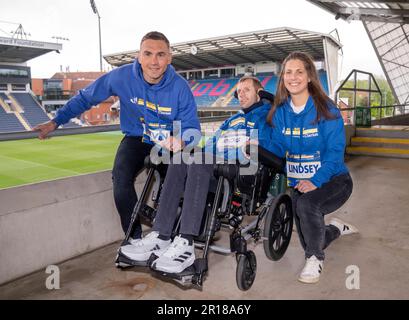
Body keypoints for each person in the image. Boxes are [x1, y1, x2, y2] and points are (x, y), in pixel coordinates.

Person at [32, 31, 201, 242]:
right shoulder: (121, 76)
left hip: (168, 144)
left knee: (175, 185)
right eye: (148, 54)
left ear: (169, 58)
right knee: (120, 179)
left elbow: (193, 128)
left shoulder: (180, 87)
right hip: (136, 139)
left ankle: (169, 236)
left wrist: (182, 140)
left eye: (160, 54)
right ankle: (134, 239)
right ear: (139, 56)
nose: (154, 61)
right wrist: (56, 121)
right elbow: (86, 98)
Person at [120, 76, 274, 274]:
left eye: (246, 90)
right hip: (214, 165)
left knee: (200, 161)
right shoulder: (232, 120)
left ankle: (186, 241)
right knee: (181, 158)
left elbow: (262, 148)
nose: (240, 94)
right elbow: (210, 145)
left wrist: (224, 155)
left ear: (259, 93)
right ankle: (161, 235)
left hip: (239, 172)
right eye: (238, 91)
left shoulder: (266, 117)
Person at [266, 51, 358, 284]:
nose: (293, 77)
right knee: (311, 235)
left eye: (299, 72)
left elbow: (335, 154)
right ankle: (336, 228)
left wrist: (316, 181)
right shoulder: (280, 112)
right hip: (300, 183)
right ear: (283, 78)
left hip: (334, 180)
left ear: (309, 77)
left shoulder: (326, 109)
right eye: (288, 72)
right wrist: (256, 145)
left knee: (308, 207)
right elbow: (277, 146)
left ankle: (315, 259)